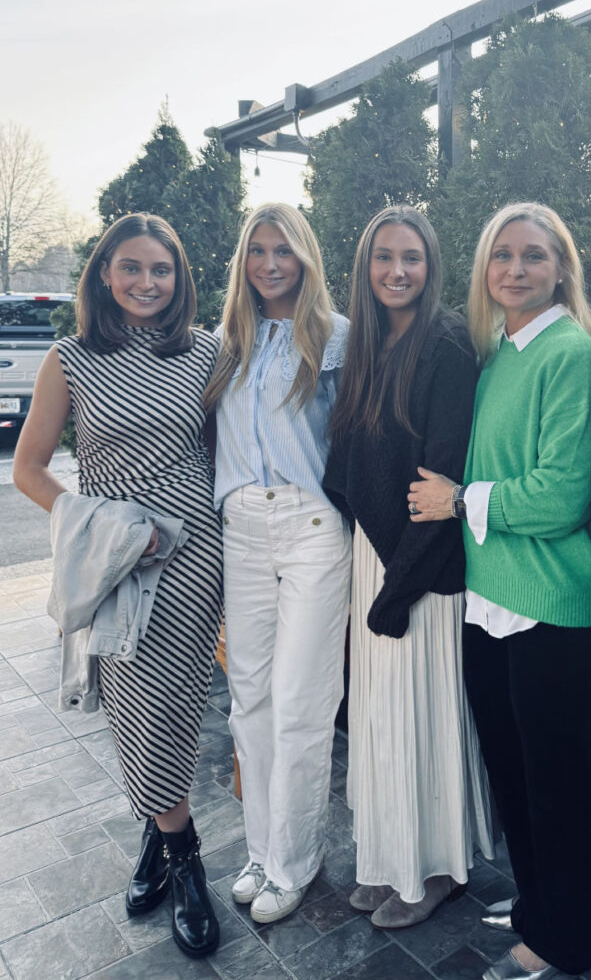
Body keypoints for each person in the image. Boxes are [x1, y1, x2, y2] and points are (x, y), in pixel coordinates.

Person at [13, 213, 224, 958]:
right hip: (115, 563)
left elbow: (224, 451)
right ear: (104, 274)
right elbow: (28, 469)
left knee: (175, 707)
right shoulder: (69, 359)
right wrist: (108, 525)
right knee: (137, 710)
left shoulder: (204, 351)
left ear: (179, 278)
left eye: (160, 270)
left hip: (193, 559)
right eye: (130, 267)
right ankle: (178, 845)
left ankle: (171, 848)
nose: (146, 282)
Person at [409, 202, 591, 980]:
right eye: (502, 255)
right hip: (489, 601)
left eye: (533, 255)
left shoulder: (570, 352)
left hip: (550, 605)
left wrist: (460, 499)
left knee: (556, 786)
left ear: (562, 268)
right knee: (514, 774)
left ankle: (569, 938)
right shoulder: (496, 356)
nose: (516, 269)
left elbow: (563, 496)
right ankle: (537, 905)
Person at [323, 205, 494, 930]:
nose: (397, 271)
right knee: (379, 720)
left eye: (412, 258)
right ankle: (389, 857)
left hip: (423, 568)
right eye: (384, 257)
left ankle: (434, 870)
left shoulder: (445, 345)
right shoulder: (370, 344)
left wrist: (400, 588)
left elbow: (442, 480)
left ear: (432, 266)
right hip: (376, 555)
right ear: (366, 267)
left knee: (419, 721)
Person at [201, 203, 351, 925]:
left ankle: (294, 860)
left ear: (304, 257)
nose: (269, 263)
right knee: (249, 699)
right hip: (242, 527)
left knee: (300, 701)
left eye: (283, 249)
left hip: (311, 526)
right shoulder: (223, 343)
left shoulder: (336, 336)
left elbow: (359, 438)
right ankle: (260, 851)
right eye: (257, 250)